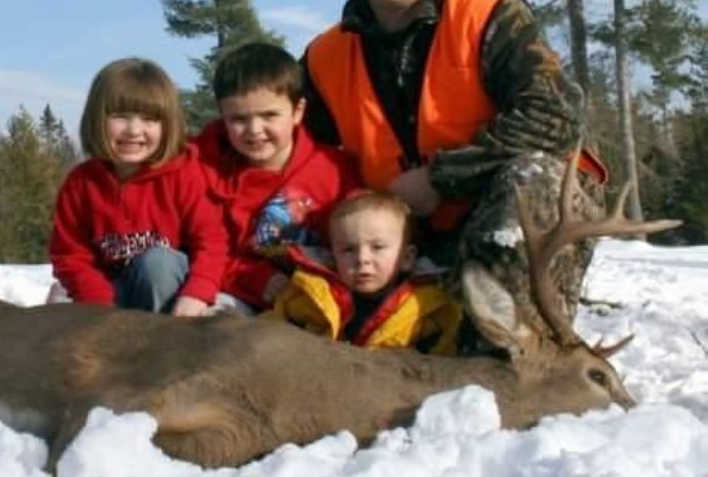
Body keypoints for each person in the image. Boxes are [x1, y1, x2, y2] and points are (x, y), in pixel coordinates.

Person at [300, 0, 607, 324]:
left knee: (533, 179)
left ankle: (515, 353)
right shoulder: (324, 56)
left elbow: (555, 117)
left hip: (502, 215)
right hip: (399, 241)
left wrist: (441, 178)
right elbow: (287, 149)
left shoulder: (488, 12)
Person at [49, 58, 226, 317]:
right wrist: (99, 306)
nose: (134, 130)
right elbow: (70, 254)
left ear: (167, 125)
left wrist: (197, 293)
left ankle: (162, 344)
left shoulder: (185, 174)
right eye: (120, 116)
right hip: (108, 295)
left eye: (149, 119)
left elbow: (211, 242)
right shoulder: (81, 183)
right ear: (97, 118)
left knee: (158, 262)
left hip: (170, 294)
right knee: (57, 307)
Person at [195, 42, 362, 314]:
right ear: (222, 117)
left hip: (325, 296)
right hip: (242, 295)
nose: (254, 130)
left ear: (298, 112)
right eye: (238, 119)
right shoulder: (208, 173)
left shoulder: (335, 170)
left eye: (269, 115)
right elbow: (206, 251)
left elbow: (361, 234)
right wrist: (258, 279)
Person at [270, 190, 461, 353]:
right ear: (333, 257)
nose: (363, 259)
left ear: (407, 258)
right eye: (349, 249)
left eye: (377, 247)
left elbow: (441, 362)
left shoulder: (428, 310)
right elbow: (273, 335)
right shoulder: (311, 299)